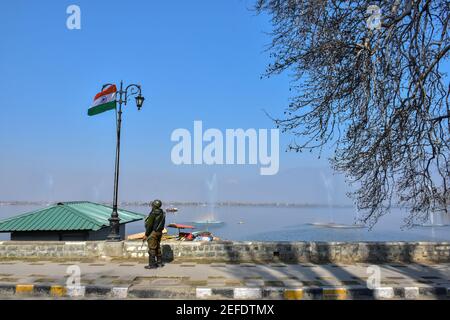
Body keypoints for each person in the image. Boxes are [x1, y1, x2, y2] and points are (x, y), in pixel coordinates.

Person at [143, 199, 166, 269]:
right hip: (159, 232)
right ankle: (159, 263)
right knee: (158, 247)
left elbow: (149, 225)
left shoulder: (153, 214)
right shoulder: (163, 213)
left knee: (152, 249)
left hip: (153, 232)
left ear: (154, 205)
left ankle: (152, 265)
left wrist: (146, 234)